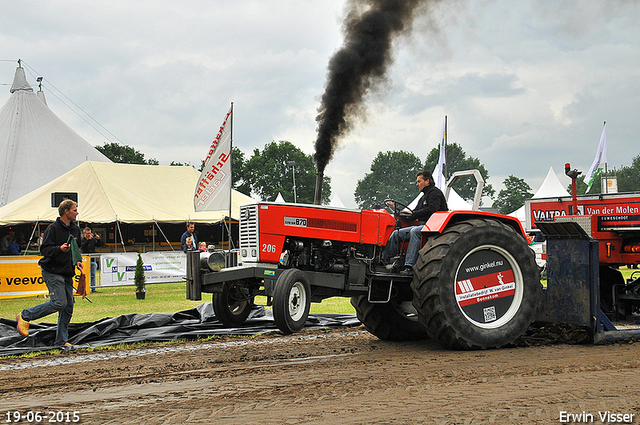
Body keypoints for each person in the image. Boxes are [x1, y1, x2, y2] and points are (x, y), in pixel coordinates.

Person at [16, 200, 83, 347]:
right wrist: (59, 249)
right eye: (75, 209)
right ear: (66, 211)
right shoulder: (53, 229)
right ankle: (25, 315)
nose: (77, 212)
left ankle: (61, 342)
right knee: (59, 302)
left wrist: (78, 261)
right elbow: (44, 250)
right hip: (52, 271)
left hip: (67, 272)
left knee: (68, 307)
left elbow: (76, 249)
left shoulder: (75, 229)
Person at [381, 170, 448, 276]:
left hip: (434, 227)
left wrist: (413, 214)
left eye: (419, 181)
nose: (417, 184)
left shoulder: (435, 193)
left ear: (427, 181)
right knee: (396, 233)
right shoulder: (423, 197)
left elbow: (432, 209)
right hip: (423, 226)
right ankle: (384, 262)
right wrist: (398, 211)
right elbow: (414, 214)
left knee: (414, 231)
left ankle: (409, 266)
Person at [81, 227, 103, 293]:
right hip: (85, 260)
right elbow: (83, 247)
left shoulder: (93, 240)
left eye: (90, 233)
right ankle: (84, 288)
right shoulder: (82, 240)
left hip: (92, 259)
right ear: (84, 233)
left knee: (93, 275)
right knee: (85, 275)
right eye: (87, 233)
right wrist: (88, 240)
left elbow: (99, 245)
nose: (89, 235)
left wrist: (98, 239)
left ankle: (93, 288)